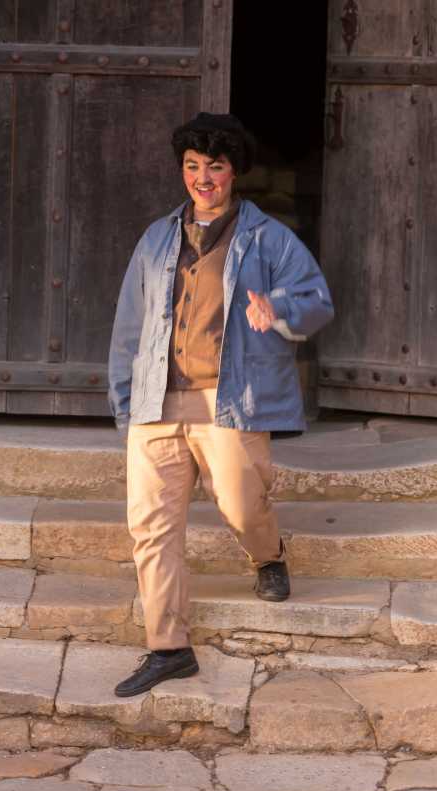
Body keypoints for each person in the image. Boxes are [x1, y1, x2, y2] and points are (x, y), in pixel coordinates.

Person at [108, 112, 334, 697]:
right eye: (192, 166)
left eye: (215, 166)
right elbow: (130, 325)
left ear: (234, 172)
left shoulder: (268, 237)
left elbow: (317, 301)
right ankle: (169, 648)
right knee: (151, 527)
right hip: (158, 401)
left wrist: (278, 309)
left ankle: (267, 555)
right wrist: (126, 402)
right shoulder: (156, 238)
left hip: (228, 400)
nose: (202, 178)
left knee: (239, 502)